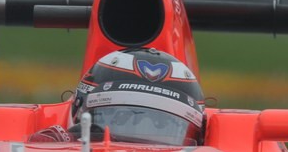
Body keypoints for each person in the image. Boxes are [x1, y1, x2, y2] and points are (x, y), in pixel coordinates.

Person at [29, 48, 206, 146]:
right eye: (121, 119)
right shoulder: (57, 143)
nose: (136, 148)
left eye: (163, 126)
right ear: (79, 109)